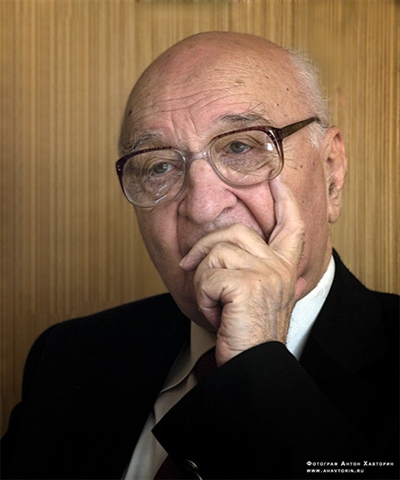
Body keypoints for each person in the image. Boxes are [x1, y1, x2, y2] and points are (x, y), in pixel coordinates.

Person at [1, 32, 398, 480]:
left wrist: (258, 365)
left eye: (241, 147)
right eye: (160, 166)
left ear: (331, 172)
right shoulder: (69, 359)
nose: (203, 206)